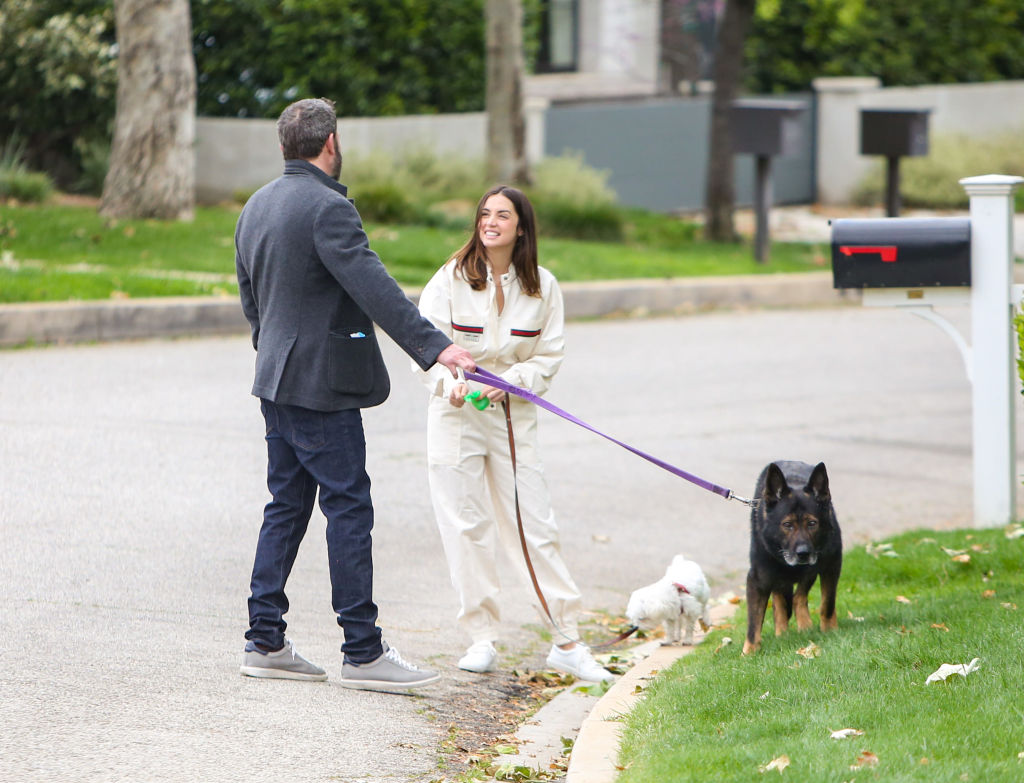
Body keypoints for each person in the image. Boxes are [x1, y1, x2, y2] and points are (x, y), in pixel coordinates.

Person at [234, 97, 476, 691]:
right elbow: (374, 286)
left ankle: (264, 640)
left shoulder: (256, 205)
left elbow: (250, 297)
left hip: (276, 378)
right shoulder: (328, 208)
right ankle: (363, 651)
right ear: (331, 143)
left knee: (286, 505)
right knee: (348, 507)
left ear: (285, 145)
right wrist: (437, 347)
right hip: (322, 386)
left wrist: (273, 352)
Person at [413, 185, 613, 682]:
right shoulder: (450, 278)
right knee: (465, 527)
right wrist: (449, 385)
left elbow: (549, 356)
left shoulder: (543, 286)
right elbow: (424, 344)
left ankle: (565, 640)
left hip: (512, 416)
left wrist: (513, 383)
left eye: (503, 215)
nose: (491, 222)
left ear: (521, 226)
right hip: (455, 415)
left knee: (533, 526)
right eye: (484, 214)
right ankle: (481, 637)